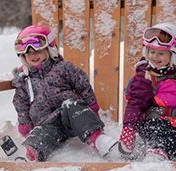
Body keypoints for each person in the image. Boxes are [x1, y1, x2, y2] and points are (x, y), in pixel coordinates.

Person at [10, 24, 119, 161]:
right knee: (39, 134)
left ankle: (99, 139)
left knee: (72, 104)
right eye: (28, 53)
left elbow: (83, 86)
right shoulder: (24, 79)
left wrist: (92, 108)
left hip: (72, 117)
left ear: (50, 49)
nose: (33, 55)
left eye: (37, 51)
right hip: (48, 124)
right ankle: (28, 154)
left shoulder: (64, 68)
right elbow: (21, 103)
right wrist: (25, 125)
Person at [113, 23, 176, 162]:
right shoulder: (145, 76)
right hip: (151, 123)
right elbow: (135, 103)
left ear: (174, 55)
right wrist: (129, 128)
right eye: (152, 52)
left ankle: (152, 150)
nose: (155, 56)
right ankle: (154, 154)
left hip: (170, 127)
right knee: (159, 131)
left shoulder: (175, 76)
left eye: (161, 53)